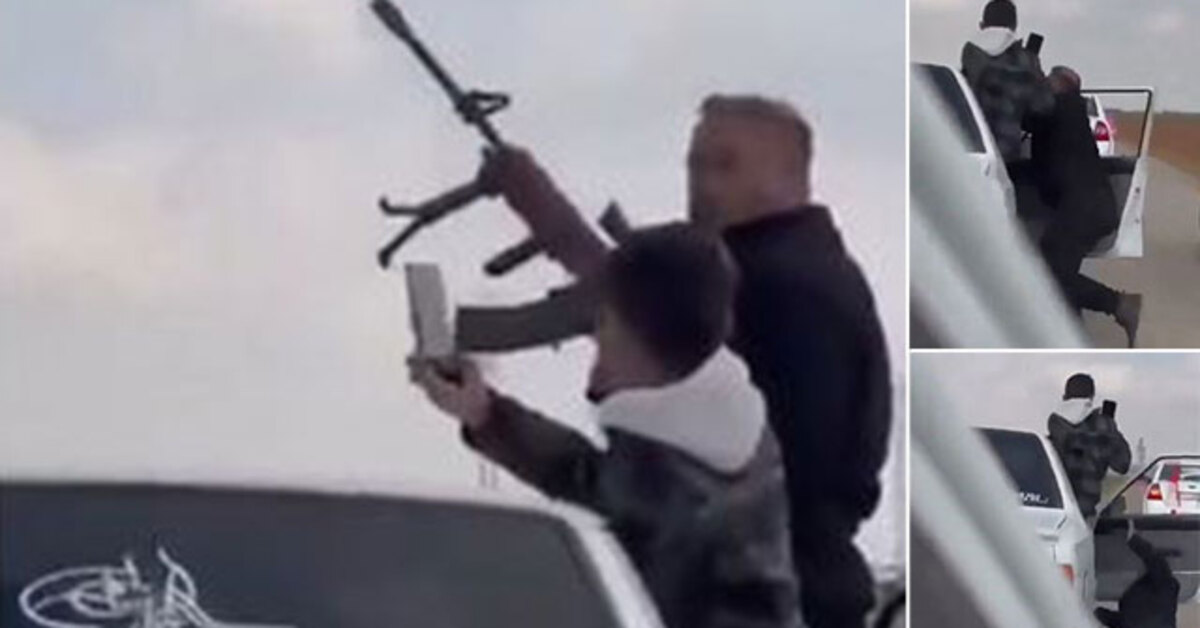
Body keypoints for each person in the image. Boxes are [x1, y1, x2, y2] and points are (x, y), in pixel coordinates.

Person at [481, 94, 892, 628]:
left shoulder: (780, 287)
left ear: (790, 175)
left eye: (725, 165)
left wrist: (549, 216)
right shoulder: (790, 273)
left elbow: (706, 462)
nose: (703, 182)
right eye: (696, 164)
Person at [411, 223, 801, 628]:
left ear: (635, 336)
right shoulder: (737, 435)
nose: (597, 342)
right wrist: (485, 413)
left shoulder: (657, 486)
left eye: (604, 324)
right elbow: (588, 477)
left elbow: (590, 505)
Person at [1029, 66, 1142, 346]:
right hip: (1089, 206)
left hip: (1084, 209)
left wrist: (1029, 82)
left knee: (1048, 272)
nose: (1045, 85)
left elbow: (1029, 119)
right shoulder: (1071, 113)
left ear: (1060, 85)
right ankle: (1071, 335)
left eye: (1049, 81)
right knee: (1060, 273)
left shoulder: (1061, 108)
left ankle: (1120, 304)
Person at [960, 0, 1054, 163]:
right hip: (1007, 154)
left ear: (982, 25)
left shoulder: (970, 57)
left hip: (971, 150)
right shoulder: (1025, 60)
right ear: (1014, 26)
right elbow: (1043, 106)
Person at [1045, 373, 1132, 519]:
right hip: (1086, 511)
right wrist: (1111, 427)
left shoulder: (1055, 427)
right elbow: (1123, 464)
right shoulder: (1102, 427)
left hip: (1056, 508)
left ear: (1065, 396)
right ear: (1091, 397)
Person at [1094, 521, 1180, 628]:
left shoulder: (1167, 587)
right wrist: (1098, 613)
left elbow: (1155, 560)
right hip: (1132, 613)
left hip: (1140, 609)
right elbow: (1119, 622)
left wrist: (1133, 539)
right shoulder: (1164, 587)